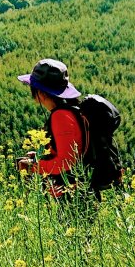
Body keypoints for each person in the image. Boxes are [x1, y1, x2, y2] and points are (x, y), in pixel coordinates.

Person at [16, 58, 91, 202]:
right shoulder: (71, 109)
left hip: (71, 194)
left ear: (41, 92)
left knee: (69, 224)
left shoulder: (60, 116)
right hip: (78, 188)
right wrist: (42, 155)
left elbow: (66, 162)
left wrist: (34, 167)